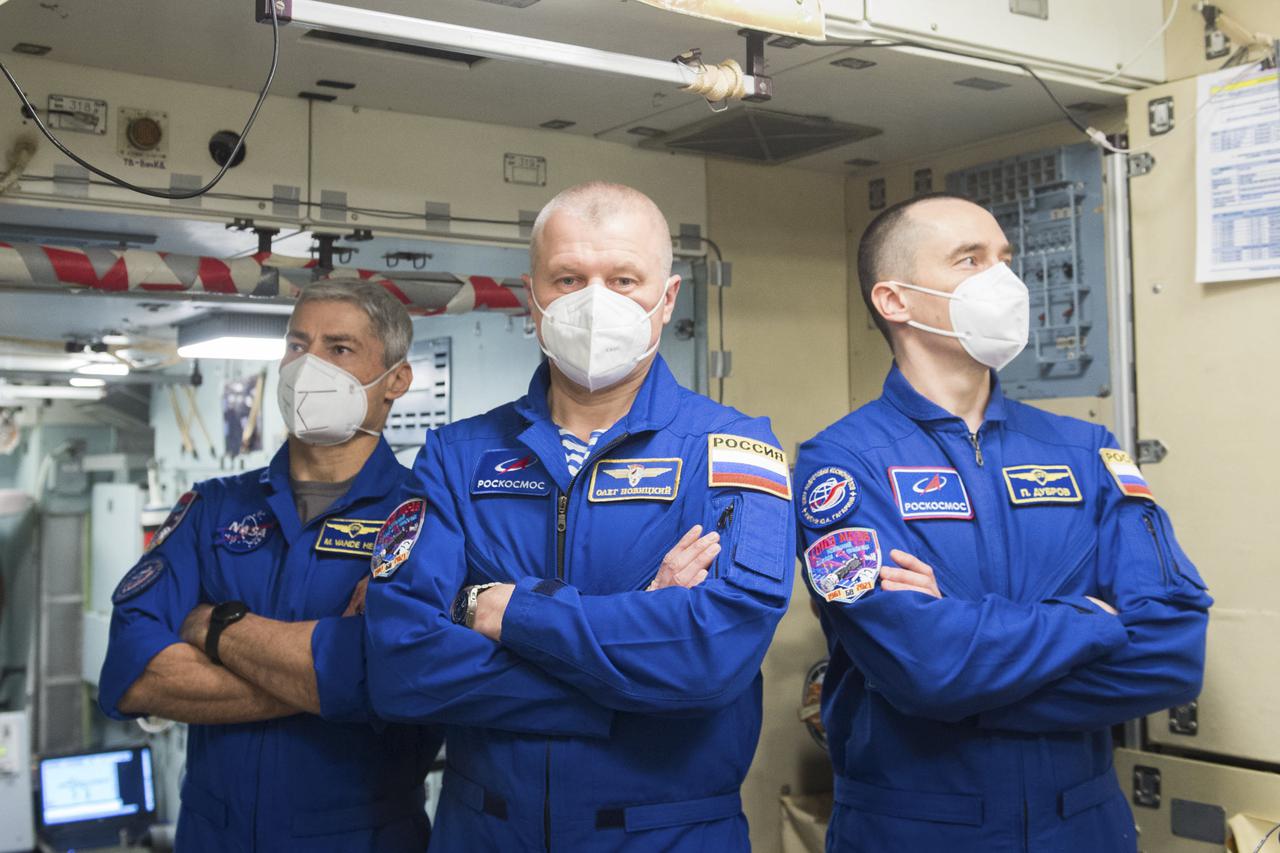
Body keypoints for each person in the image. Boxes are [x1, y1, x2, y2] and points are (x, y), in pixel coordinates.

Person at [361, 181, 795, 851]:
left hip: (668, 834)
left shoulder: (735, 451)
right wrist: (634, 657)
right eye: (569, 278)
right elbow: (401, 663)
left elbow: (711, 655)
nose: (597, 302)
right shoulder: (456, 455)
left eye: (624, 278)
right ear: (531, 299)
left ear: (667, 299)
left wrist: (508, 611)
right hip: (486, 831)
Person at [793, 193, 1211, 852]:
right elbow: (922, 666)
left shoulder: (1087, 450)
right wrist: (1092, 619)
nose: (1006, 281)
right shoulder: (841, 464)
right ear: (894, 301)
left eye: (1005, 258)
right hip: (917, 829)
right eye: (971, 259)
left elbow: (1171, 653)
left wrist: (959, 693)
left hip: (1082, 825)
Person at [98, 280, 442, 853]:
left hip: (360, 838)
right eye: (297, 345)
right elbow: (133, 673)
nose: (308, 367)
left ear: (397, 381)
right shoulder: (214, 508)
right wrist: (334, 678)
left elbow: (404, 677)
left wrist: (213, 627)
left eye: (338, 349)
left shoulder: (426, 518)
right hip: (213, 834)